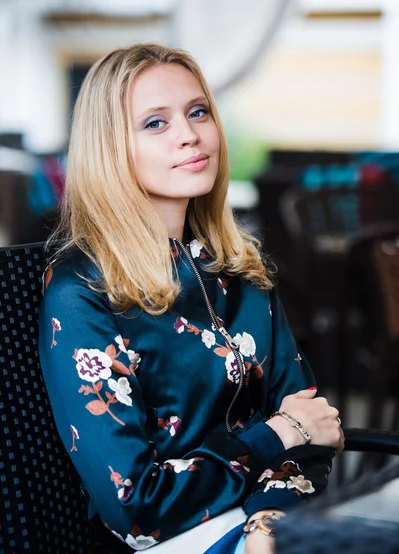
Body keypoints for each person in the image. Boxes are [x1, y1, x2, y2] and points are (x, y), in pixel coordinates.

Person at [38, 43, 344, 554]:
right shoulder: (80, 291)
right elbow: (137, 505)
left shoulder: (239, 268)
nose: (190, 134)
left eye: (198, 111)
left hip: (263, 528)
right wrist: (277, 433)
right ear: (111, 148)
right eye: (155, 123)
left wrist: (269, 518)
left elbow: (310, 424)